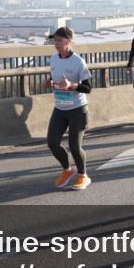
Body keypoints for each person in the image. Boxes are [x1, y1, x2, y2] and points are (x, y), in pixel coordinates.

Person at [47, 27, 93, 191]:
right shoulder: (53, 58)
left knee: (74, 145)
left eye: (59, 41)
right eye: (55, 40)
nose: (56, 44)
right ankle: (67, 169)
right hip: (60, 108)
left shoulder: (78, 62)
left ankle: (83, 175)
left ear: (69, 41)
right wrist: (49, 82)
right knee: (52, 142)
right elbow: (54, 77)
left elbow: (88, 87)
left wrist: (72, 85)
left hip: (77, 109)